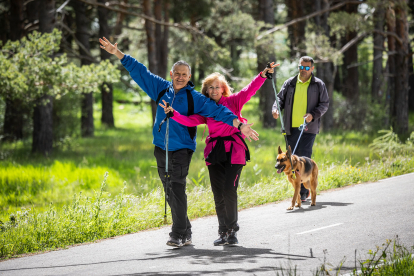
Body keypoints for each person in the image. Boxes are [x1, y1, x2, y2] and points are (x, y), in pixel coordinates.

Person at [99, 37, 259, 248]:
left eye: (185, 74)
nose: (181, 77)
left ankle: (178, 233)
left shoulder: (196, 98)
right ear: (172, 74)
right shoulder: (160, 89)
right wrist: (118, 54)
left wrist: (239, 125)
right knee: (169, 190)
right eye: (177, 73)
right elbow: (140, 71)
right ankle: (186, 230)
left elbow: (219, 111)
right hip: (160, 147)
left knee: (176, 186)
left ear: (189, 77)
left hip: (182, 148)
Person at [160, 62, 279, 245]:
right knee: (218, 193)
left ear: (223, 89)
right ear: (206, 91)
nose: (214, 90)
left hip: (234, 151)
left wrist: (263, 74)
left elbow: (249, 90)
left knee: (229, 190)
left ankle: (232, 230)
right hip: (215, 153)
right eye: (210, 87)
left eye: (217, 87)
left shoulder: (233, 102)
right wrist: (173, 113)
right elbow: (190, 121)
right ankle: (222, 232)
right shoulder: (205, 108)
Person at [272, 56, 329, 202]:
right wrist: (276, 109)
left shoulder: (318, 85)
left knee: (304, 157)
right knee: (291, 159)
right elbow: (279, 99)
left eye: (306, 68)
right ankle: (297, 189)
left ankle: (304, 192)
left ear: (312, 68)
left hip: (309, 128)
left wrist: (312, 115)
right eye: (301, 67)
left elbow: (324, 104)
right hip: (290, 128)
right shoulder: (290, 83)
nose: (303, 70)